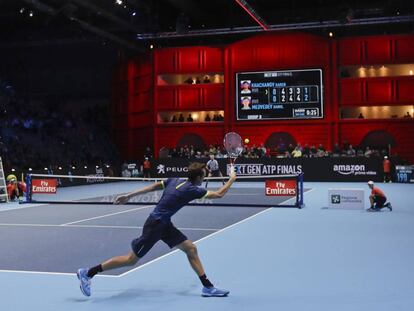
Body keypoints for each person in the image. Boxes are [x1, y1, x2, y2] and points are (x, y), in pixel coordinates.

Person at [77, 162, 237, 297]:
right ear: (198, 178)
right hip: (155, 225)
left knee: (191, 249)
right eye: (203, 175)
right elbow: (219, 194)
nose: (205, 177)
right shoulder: (192, 190)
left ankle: (208, 287)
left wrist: (130, 195)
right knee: (130, 260)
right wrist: (231, 179)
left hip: (164, 223)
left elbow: (154, 186)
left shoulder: (175, 180)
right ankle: (88, 273)